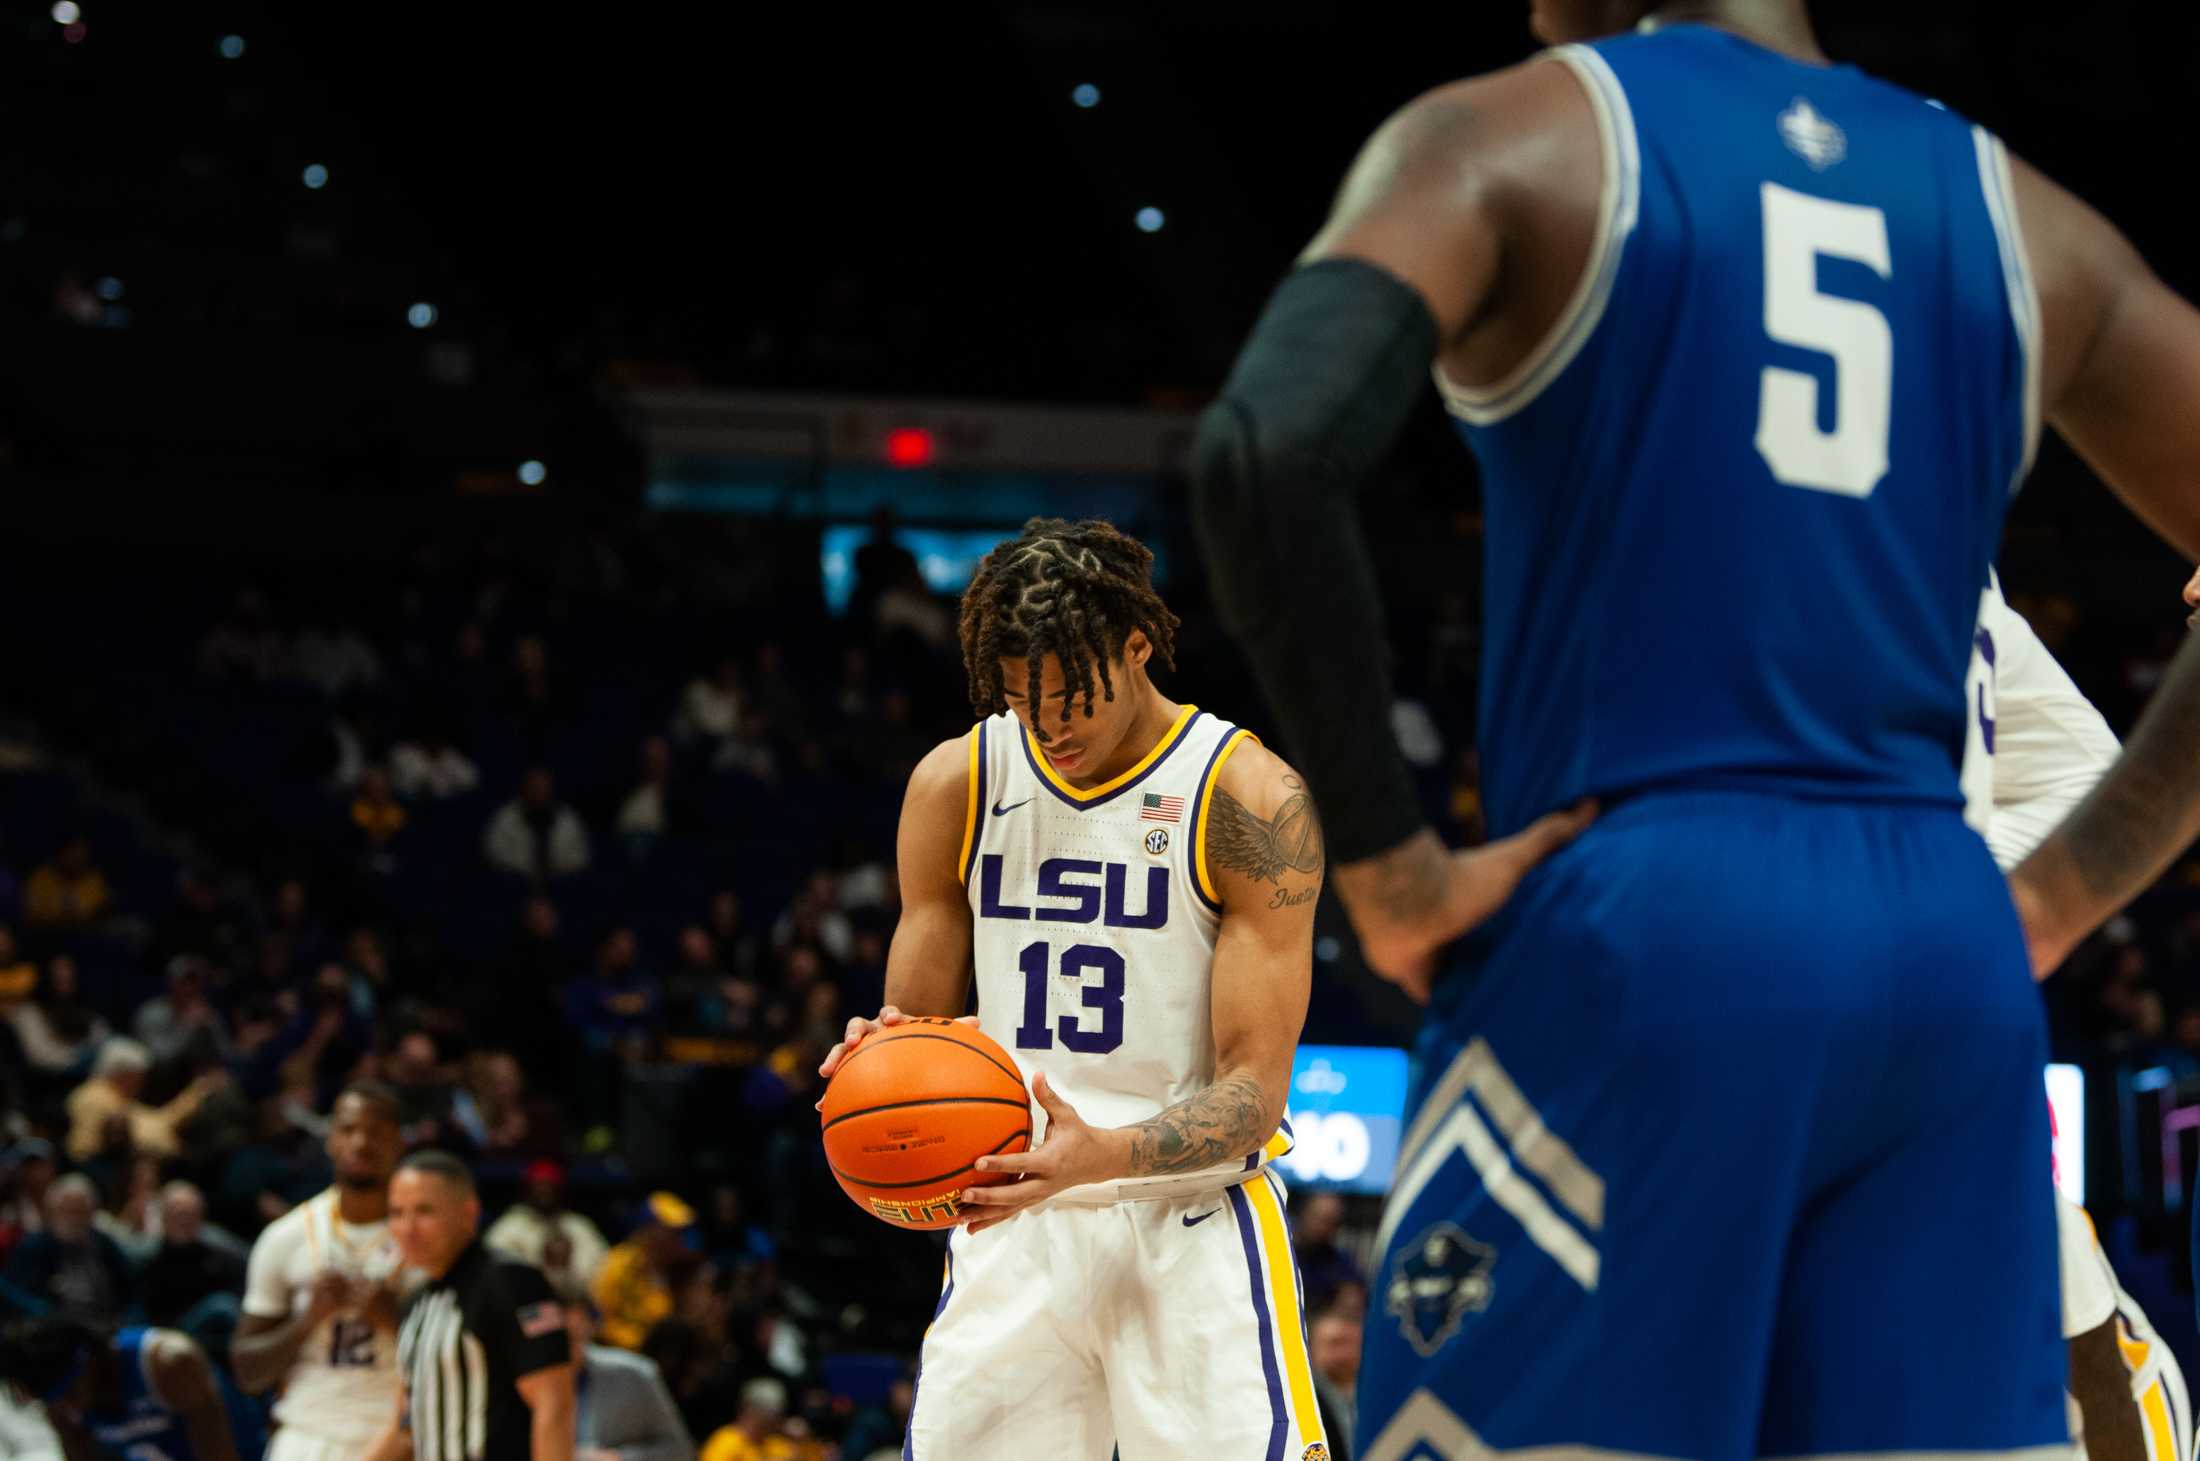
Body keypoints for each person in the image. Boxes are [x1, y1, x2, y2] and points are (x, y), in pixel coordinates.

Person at [1190, 0, 2200, 1453]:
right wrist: (2057, 896)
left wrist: (1392, 875)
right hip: (1945, 964)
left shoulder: (1518, 132)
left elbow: (1261, 453)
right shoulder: (2019, 211)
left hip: (1655, 920)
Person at [815, 519, 1541, 1459]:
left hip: (1189, 1223)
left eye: (1072, 695)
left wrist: (1097, 1153)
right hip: (1016, 1222)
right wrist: (881, 1062)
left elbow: (1251, 1095)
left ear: (1138, 645)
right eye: (1021, 699)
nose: (1048, 725)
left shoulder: (1248, 800)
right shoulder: (955, 783)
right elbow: (920, 1035)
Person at [233, 1081, 407, 1461]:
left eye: (377, 1132)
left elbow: (464, 1353)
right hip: (308, 1429)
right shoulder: (286, 1236)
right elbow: (247, 1371)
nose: (361, 1142)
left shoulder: (426, 1238)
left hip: (399, 1431)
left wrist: (393, 1318)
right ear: (330, 1139)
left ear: (399, 1144)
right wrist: (308, 1319)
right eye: (348, 1129)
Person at [371, 1150, 576, 1461]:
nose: (407, 1228)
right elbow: (406, 1431)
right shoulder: (415, 1302)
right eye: (397, 1213)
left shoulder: (512, 1281)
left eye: (424, 1211)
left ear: (468, 1213)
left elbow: (554, 1406)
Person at [0, 1314, 260, 1461]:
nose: (69, 1406)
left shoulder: (169, 1363)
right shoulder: (61, 1407)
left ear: (91, 1358)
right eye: (56, 1400)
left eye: (70, 1392)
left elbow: (222, 1456)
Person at [560, 1284, 693, 1461]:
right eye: (556, 1340)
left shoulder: (635, 1374)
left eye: (574, 1337)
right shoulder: (514, 1384)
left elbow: (680, 1451)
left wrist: (620, 1458)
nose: (565, 1351)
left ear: (590, 1326)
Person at [66, 1037, 226, 1163]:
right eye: (138, 1077)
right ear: (122, 1074)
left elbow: (161, 1121)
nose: (142, 1083)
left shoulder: (120, 1099)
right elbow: (82, 1150)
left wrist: (198, 1091)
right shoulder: (93, 1096)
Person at [1, 1175, 136, 1322]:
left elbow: (131, 1291)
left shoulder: (104, 1244)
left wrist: (127, 1318)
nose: (75, 1219)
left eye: (81, 1211)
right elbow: (19, 1296)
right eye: (68, 1211)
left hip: (104, 1325)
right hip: (51, 1329)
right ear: (52, 1211)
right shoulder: (34, 1246)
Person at [590, 1192, 697, 1351]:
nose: (679, 1239)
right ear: (649, 1230)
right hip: (625, 1355)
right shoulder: (618, 1265)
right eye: (671, 1231)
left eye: (680, 1232)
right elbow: (599, 1320)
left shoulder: (680, 1268)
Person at [486, 1161, 611, 1290]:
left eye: (550, 1185)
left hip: (576, 1305)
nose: (544, 1191)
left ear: (560, 1190)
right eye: (539, 1185)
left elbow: (603, 1274)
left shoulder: (578, 1226)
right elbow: (496, 1276)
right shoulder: (509, 1227)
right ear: (527, 1189)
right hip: (522, 1305)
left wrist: (567, 1266)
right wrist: (542, 1266)